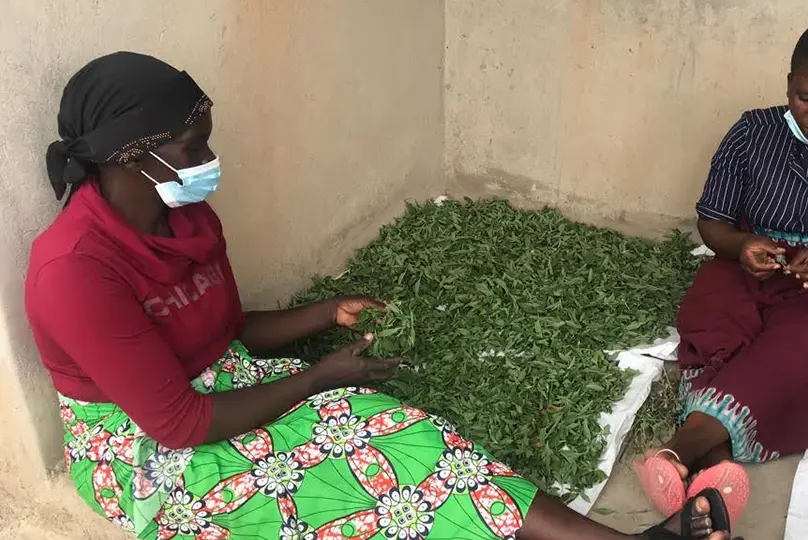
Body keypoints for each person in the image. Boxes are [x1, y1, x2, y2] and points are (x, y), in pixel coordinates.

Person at [26, 52, 739, 540]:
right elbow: (179, 423)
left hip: (223, 389)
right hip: (146, 453)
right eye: (191, 148)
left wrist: (325, 315)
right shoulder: (75, 273)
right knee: (365, 497)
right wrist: (315, 378)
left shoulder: (185, 217)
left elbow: (222, 331)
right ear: (128, 154)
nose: (209, 163)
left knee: (414, 437)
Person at [635, 18, 808, 526]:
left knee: (806, 344)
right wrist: (743, 245)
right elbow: (713, 221)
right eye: (804, 95)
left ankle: (679, 452)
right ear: (788, 80)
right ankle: (716, 474)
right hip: (749, 267)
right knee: (716, 313)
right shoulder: (751, 131)